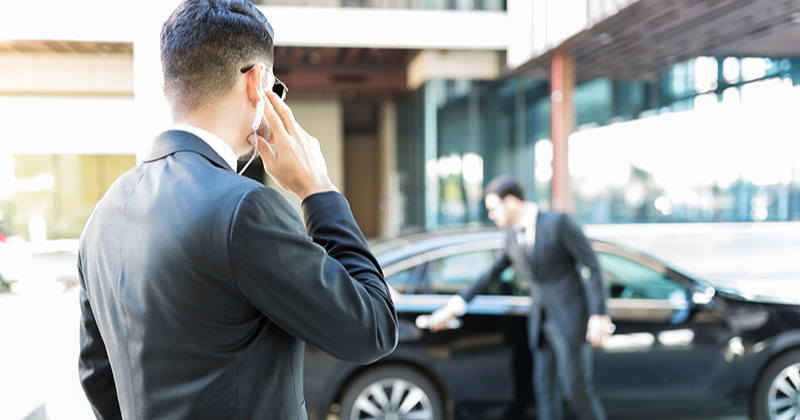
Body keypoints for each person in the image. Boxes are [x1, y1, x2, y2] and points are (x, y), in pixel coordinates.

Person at [77, 1, 398, 419]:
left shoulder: (103, 215)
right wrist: (318, 190)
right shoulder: (245, 207)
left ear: (168, 89)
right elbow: (372, 329)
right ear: (256, 83)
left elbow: (97, 375)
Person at [429, 174, 612, 420]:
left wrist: (598, 313)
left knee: (575, 391)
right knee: (544, 391)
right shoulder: (513, 235)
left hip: (570, 321)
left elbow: (593, 266)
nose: (491, 215)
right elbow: (489, 275)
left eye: (493, 209)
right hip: (540, 323)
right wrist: (453, 307)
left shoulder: (558, 223)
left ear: (511, 202)